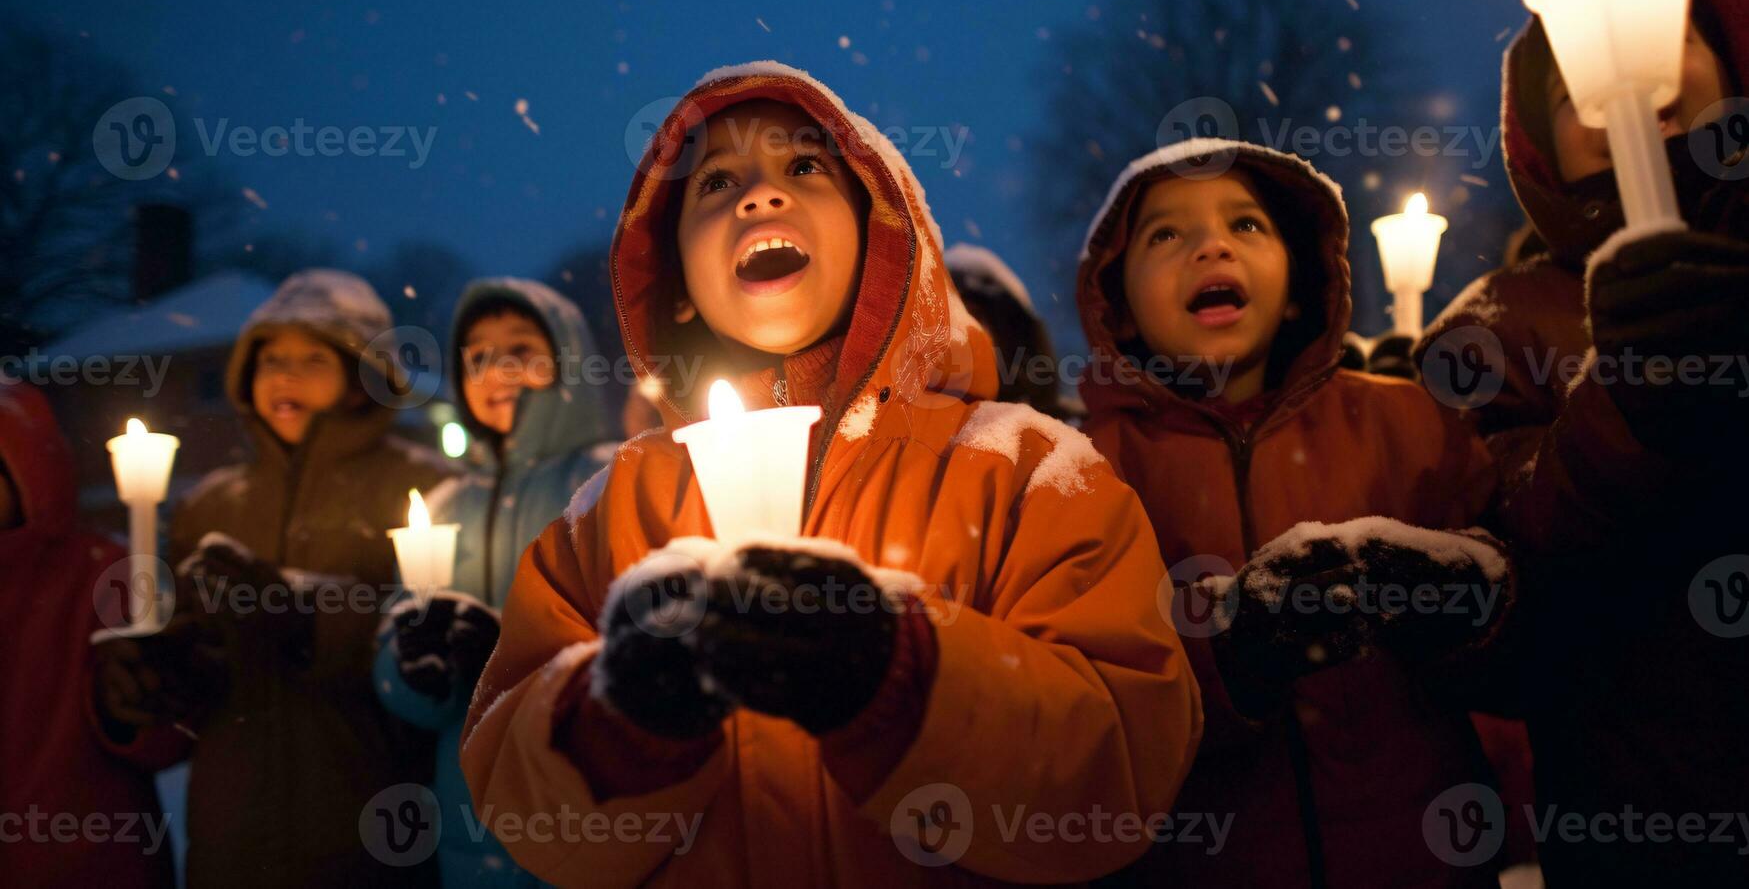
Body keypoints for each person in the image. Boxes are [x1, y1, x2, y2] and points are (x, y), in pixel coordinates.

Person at [459, 62, 1203, 886]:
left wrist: (895, 674)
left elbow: (1120, 772)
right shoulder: (612, 506)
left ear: (879, 237)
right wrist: (619, 725)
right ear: (676, 287)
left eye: (804, 167)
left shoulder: (1031, 472)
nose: (758, 196)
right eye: (714, 182)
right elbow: (519, 804)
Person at [1076, 139, 1516, 887]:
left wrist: (1470, 608)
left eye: (1245, 224)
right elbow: (1088, 707)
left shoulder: (1410, 423)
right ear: (1118, 302)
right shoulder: (1087, 474)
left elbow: (1538, 646)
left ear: (1299, 283)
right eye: (1166, 234)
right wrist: (1228, 661)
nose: (1211, 243)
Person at [1417, 0, 1749, 885]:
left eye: (1664, 39)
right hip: (1647, 821)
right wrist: (1629, 408)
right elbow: (1504, 605)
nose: (1622, 80)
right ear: (1536, 148)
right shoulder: (1498, 332)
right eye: (1575, 86)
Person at [93, 269, 453, 887]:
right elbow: (191, 655)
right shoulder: (212, 504)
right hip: (231, 839)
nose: (286, 374)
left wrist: (308, 615)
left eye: (314, 357)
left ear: (364, 376)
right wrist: (154, 673)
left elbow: (434, 641)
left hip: (368, 829)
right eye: (271, 359)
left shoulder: (424, 488)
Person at [374, 277, 618, 886]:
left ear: (570, 359)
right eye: (479, 356)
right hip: (469, 828)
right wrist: (412, 667)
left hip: (593, 816)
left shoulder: (612, 479)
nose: (499, 368)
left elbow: (640, 644)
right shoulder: (446, 502)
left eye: (522, 349)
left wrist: (512, 655)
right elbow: (395, 639)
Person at [1, 382, 175, 888]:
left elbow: (166, 739)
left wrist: (135, 704)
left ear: (27, 472)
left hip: (92, 865)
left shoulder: (105, 574)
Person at [944, 242, 1082, 421]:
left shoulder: (1069, 437)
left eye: (974, 315)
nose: (958, 330)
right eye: (943, 318)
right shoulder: (903, 430)